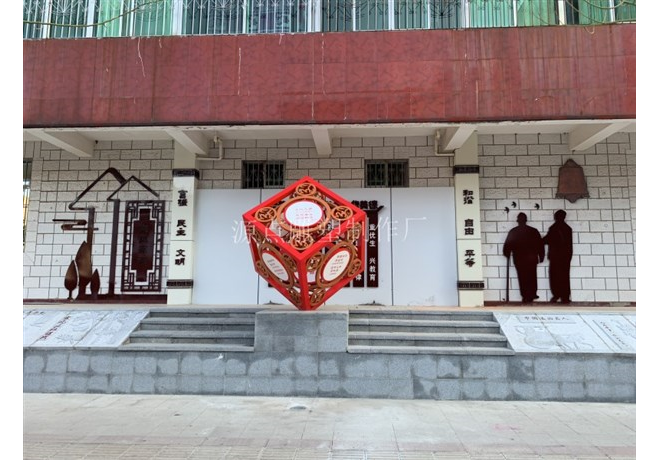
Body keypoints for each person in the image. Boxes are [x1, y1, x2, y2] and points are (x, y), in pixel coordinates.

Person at [503, 212, 545, 303]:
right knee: (532, 276)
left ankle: (525, 295)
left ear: (518, 221)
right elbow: (540, 245)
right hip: (531, 258)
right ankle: (532, 293)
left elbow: (507, 245)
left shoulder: (513, 231)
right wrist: (541, 256)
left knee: (522, 277)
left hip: (519, 259)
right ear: (526, 220)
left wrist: (507, 253)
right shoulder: (533, 231)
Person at [543, 210, 573, 303]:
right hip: (565, 257)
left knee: (554, 276)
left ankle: (556, 295)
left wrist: (537, 240)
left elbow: (547, 240)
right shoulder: (567, 228)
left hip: (555, 256)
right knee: (564, 276)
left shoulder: (554, 228)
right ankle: (565, 296)